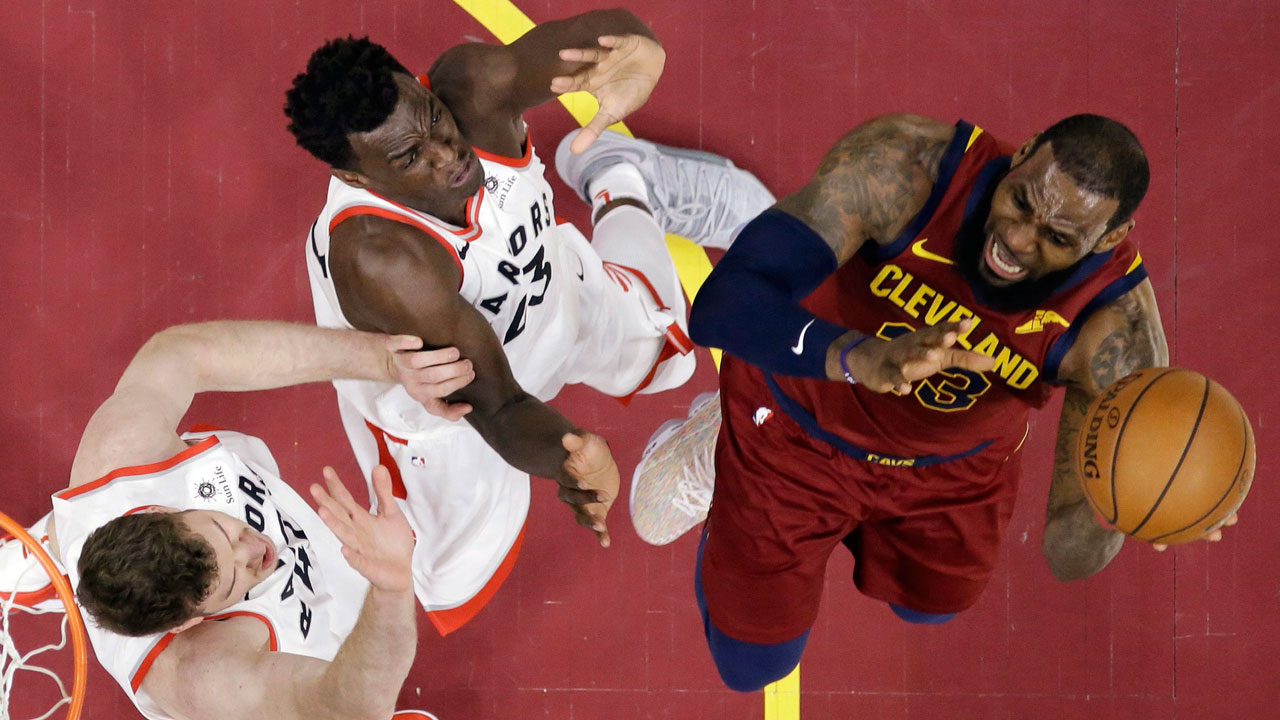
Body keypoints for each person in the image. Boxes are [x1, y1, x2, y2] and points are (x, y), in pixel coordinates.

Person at [631, 113, 1239, 691]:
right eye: (1020, 201)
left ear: (1110, 238)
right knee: (748, 668)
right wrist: (858, 357)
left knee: (928, 610)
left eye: (1057, 238)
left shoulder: (1115, 339)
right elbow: (721, 308)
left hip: (954, 473)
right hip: (799, 427)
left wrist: (1128, 506)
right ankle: (716, 436)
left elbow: (1064, 554)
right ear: (1024, 152)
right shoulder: (905, 170)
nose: (1017, 240)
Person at [282, 11, 774, 634]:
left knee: (669, 360)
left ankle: (621, 177)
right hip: (447, 406)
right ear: (356, 176)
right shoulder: (384, 260)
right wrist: (572, 458)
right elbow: (500, 406)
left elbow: (604, 37)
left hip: (544, 290)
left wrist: (641, 48)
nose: (447, 154)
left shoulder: (472, 86)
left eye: (432, 119)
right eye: (409, 157)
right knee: (450, 583)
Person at [39, 321, 464, 720]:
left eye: (224, 532)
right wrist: (392, 587)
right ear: (189, 622)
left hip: (286, 554)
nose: (256, 548)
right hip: (280, 680)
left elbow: (184, 352)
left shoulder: (125, 448)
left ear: (160, 510)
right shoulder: (203, 675)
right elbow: (346, 710)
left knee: (79, 523)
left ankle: (52, 546)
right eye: (233, 578)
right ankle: (55, 552)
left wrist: (383, 361)